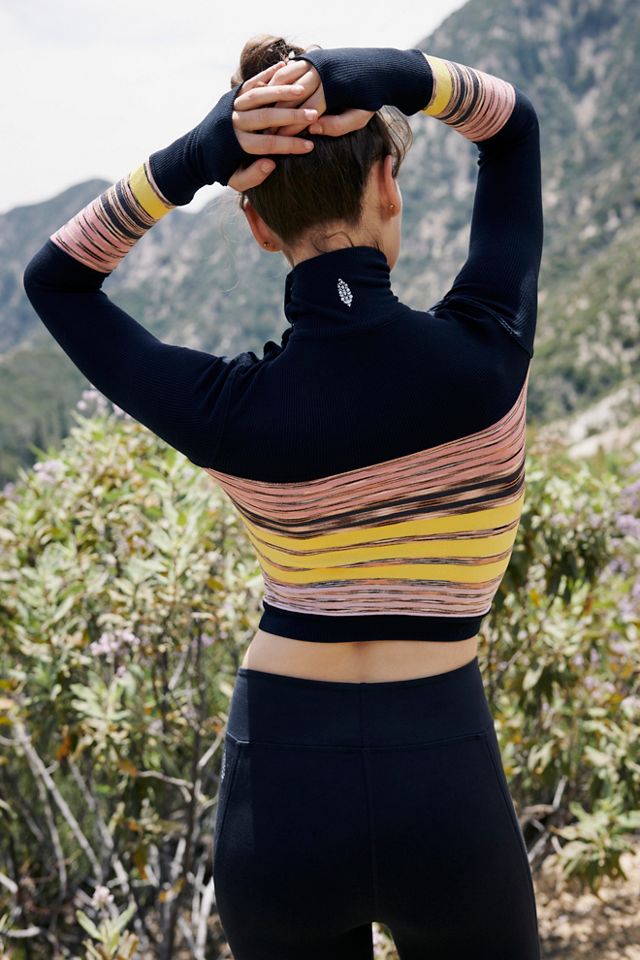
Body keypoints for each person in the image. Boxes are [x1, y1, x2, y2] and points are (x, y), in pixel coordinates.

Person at [23, 32, 543, 960]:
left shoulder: (229, 411)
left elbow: (56, 280)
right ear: (388, 183)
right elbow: (512, 129)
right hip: (445, 777)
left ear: (257, 225)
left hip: (282, 792)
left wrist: (193, 159)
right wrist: (402, 74)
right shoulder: (488, 354)